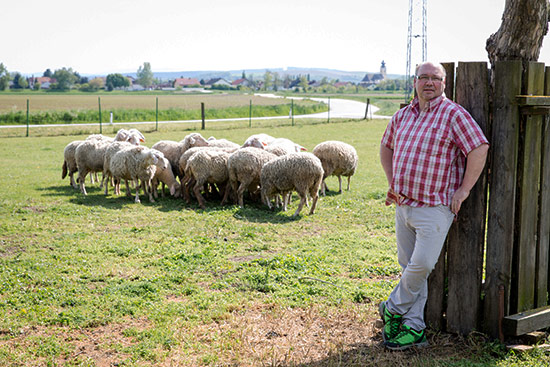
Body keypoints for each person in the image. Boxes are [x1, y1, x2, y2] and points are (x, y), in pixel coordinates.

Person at [378, 61, 489, 350]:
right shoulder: (403, 116)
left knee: (422, 264)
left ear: (444, 83)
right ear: (415, 82)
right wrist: (392, 181)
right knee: (410, 269)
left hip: (435, 208)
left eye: (435, 78)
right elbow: (386, 146)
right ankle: (414, 328)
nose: (429, 83)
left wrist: (464, 190)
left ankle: (392, 307)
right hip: (403, 205)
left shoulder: (453, 114)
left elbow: (479, 147)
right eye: (424, 77)